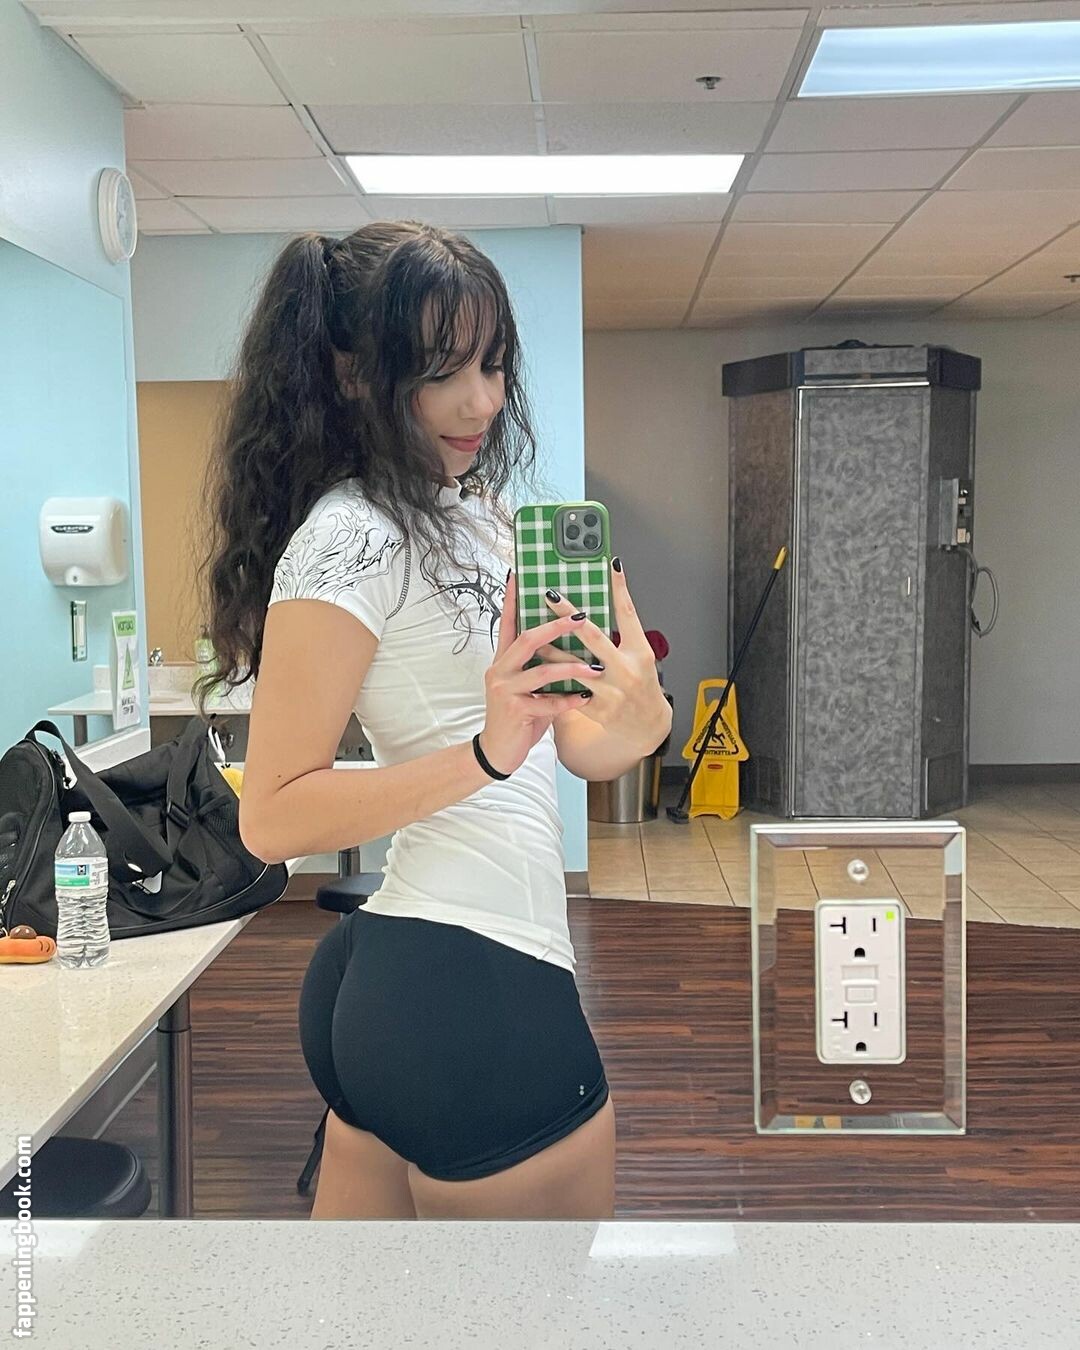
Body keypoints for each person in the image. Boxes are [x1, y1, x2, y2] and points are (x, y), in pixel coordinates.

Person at [198, 221, 672, 1220]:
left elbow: (569, 743)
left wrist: (641, 720)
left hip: (422, 976)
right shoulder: (350, 536)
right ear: (354, 374)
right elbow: (272, 817)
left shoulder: (479, 514)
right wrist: (484, 755)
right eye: (442, 371)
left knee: (360, 1305)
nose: (482, 401)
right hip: (473, 990)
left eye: (493, 365)